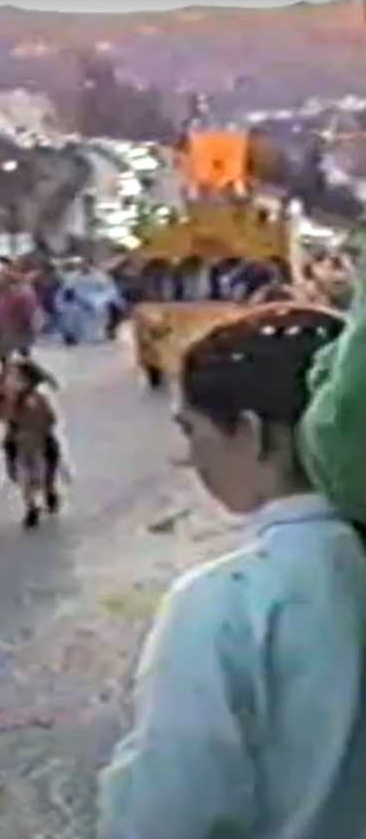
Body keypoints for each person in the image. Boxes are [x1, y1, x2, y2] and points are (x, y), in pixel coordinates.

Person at [98, 305, 366, 839]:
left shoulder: (225, 603)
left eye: (192, 430)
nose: (190, 457)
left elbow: (169, 812)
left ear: (249, 432)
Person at [0, 357, 62, 529]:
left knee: (42, 473)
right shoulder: (11, 400)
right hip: (20, 446)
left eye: (17, 378)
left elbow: (50, 419)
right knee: (24, 478)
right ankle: (31, 507)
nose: (12, 382)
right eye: (11, 378)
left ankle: (48, 492)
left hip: (38, 444)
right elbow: (7, 419)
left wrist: (38, 427)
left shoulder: (38, 399)